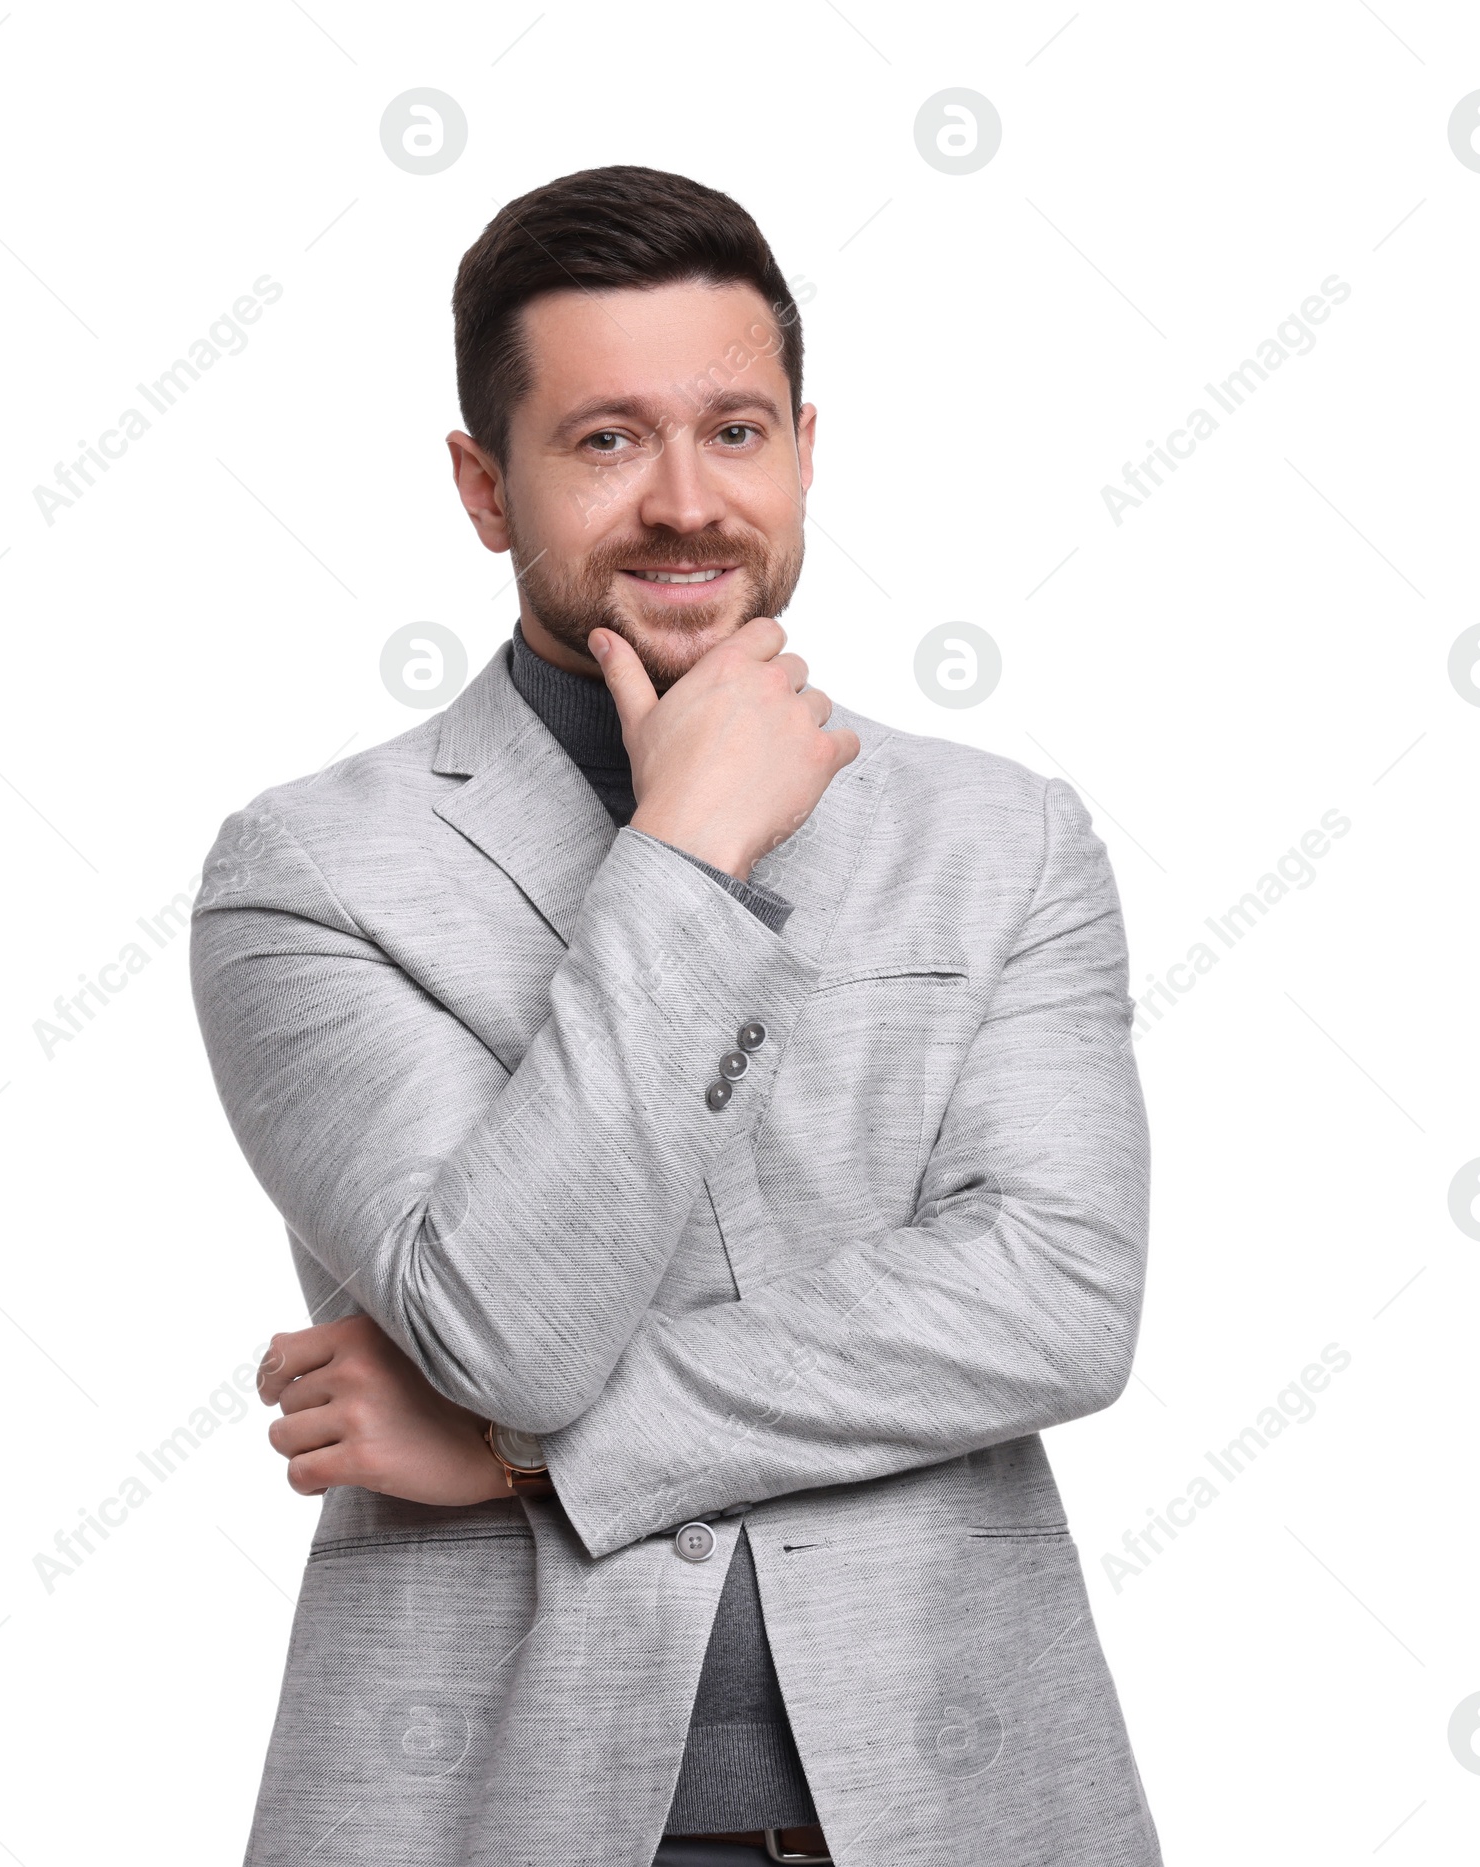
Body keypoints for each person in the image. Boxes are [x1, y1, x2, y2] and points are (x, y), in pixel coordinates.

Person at [190, 164, 1163, 1867]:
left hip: (966, 1798)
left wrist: (511, 1456)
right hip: (490, 1811)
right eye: (607, 441)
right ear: (485, 490)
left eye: (735, 431)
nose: (686, 501)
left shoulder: (1007, 838)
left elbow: (1062, 1305)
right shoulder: (309, 873)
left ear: (803, 446)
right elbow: (510, 1329)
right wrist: (688, 850)